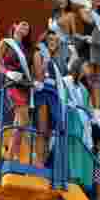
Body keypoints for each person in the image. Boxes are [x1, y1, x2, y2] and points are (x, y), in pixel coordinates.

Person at [0, 21, 38, 165]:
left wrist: (36, 82)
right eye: (23, 24)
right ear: (14, 26)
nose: (25, 27)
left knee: (19, 122)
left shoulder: (27, 49)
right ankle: (20, 154)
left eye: (28, 26)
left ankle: (11, 156)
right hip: (11, 83)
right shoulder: (6, 42)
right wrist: (8, 73)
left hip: (25, 85)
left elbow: (31, 68)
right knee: (23, 119)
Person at [33, 30, 66, 166]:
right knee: (42, 130)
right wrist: (46, 59)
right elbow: (39, 76)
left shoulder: (56, 61)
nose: (53, 42)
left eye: (55, 40)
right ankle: (39, 163)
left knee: (49, 133)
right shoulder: (38, 54)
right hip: (43, 93)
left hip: (54, 95)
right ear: (45, 42)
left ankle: (44, 162)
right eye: (50, 40)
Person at [63, 58, 95, 188]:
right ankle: (71, 176)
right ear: (79, 66)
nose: (89, 70)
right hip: (71, 120)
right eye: (87, 66)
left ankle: (79, 180)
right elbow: (63, 100)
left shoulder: (84, 89)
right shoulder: (65, 81)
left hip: (83, 123)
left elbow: (88, 108)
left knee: (84, 145)